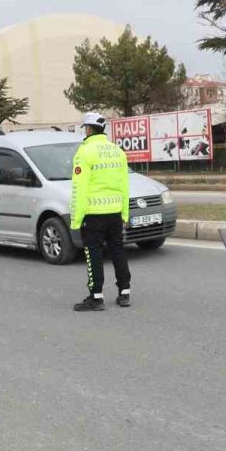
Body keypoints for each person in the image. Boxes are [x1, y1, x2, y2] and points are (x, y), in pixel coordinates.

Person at [70, 111, 132, 311]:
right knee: (118, 250)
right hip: (115, 212)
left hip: (94, 214)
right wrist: (124, 213)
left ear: (88, 129)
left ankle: (96, 297)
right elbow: (124, 185)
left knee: (94, 254)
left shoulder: (84, 153)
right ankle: (124, 292)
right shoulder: (117, 151)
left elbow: (80, 189)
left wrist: (76, 219)